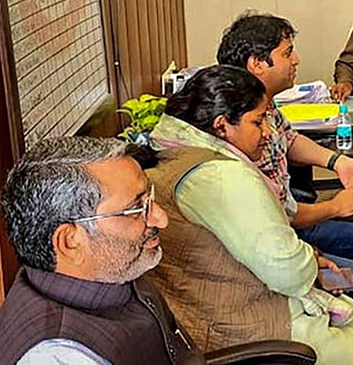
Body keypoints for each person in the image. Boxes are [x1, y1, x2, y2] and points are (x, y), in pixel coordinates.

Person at [148, 65, 353, 363]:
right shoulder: (221, 177)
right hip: (244, 322)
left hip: (208, 304)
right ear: (222, 125)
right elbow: (286, 269)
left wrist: (311, 257)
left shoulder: (173, 148)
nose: (266, 132)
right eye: (258, 122)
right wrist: (310, 263)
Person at [217, 12, 353, 330]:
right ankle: (341, 327)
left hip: (290, 218)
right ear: (257, 63)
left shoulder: (263, 103)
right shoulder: (237, 122)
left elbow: (289, 139)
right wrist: (335, 207)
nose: (296, 59)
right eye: (287, 53)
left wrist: (338, 162)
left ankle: (349, 317)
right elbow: (276, 218)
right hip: (279, 236)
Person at [0, 136, 204, 364]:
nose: (161, 218)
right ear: (70, 242)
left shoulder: (112, 267)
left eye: (149, 198)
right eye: (136, 208)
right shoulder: (59, 355)